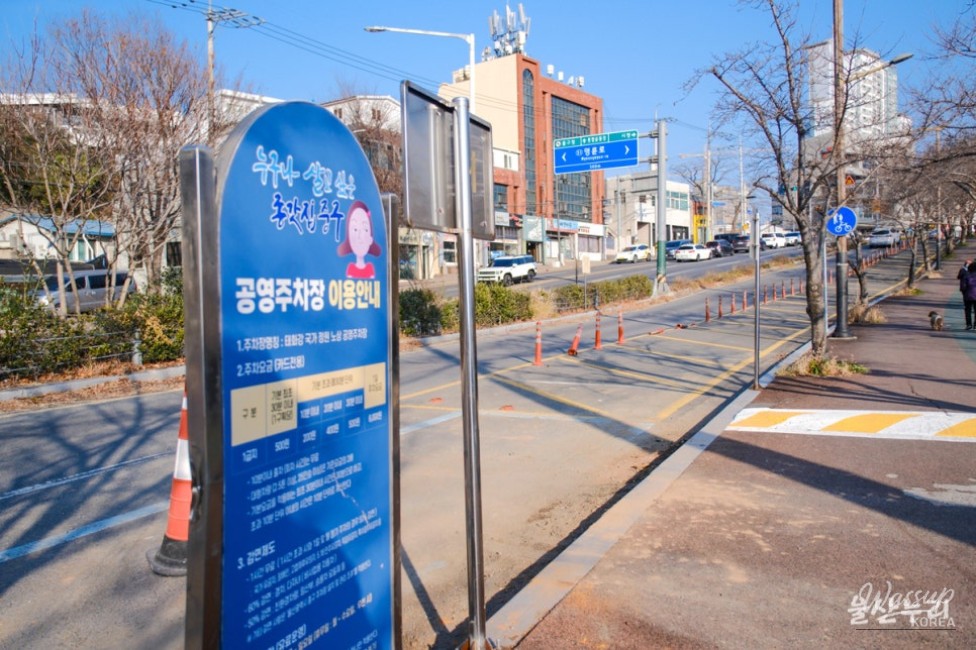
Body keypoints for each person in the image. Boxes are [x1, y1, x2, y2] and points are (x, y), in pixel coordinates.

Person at [337, 200, 382, 279]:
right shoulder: (350, 268)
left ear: (370, 239)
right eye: (355, 229)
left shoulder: (370, 268)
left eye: (365, 230)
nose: (359, 236)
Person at [963, 261, 976, 331]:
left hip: (968, 295)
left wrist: (964, 292)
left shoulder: (966, 276)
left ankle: (969, 325)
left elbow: (963, 287)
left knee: (968, 310)